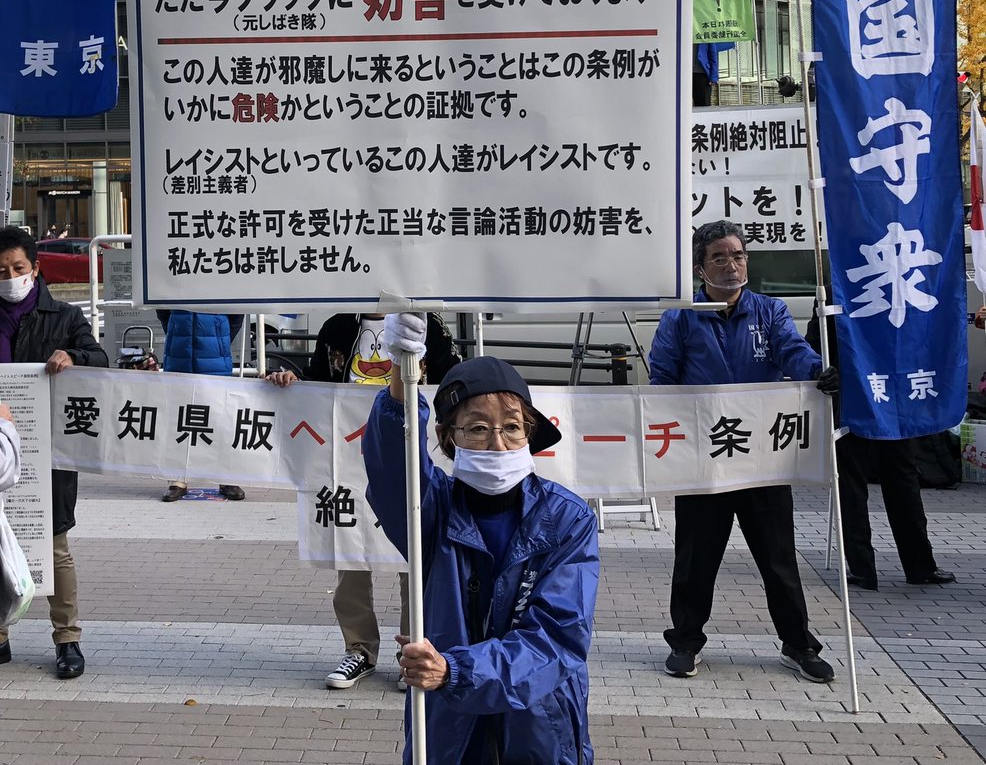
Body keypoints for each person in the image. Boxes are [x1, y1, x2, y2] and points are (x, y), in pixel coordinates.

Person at [360, 313, 598, 765]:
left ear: (529, 434)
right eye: (477, 427)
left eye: (511, 426)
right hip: (449, 729)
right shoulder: (429, 510)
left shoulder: (568, 518)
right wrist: (401, 367)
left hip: (541, 725)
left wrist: (455, 670)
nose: (498, 442)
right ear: (449, 439)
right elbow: (394, 467)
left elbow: (558, 637)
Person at [648, 219, 837, 684]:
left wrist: (819, 371)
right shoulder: (680, 316)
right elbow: (662, 380)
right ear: (699, 268)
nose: (731, 266)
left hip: (760, 456)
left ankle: (798, 643)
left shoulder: (770, 311)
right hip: (704, 457)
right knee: (695, 557)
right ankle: (687, 642)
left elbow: (792, 353)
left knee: (778, 557)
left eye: (738, 256)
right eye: (719, 258)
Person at [267, 310, 459, 690]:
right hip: (344, 462)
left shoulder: (425, 322)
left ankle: (415, 650)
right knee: (350, 554)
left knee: (414, 557)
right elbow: (317, 384)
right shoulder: (337, 325)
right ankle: (359, 649)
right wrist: (291, 382)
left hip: (405, 457)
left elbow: (453, 377)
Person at [0, 226, 109, 679]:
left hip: (48, 455)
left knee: (54, 545)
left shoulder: (64, 316)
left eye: (18, 268)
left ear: (36, 268)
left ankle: (67, 640)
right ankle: (1, 637)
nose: (9, 277)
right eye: (0, 271)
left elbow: (100, 357)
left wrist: (73, 357)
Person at [806, 297, 956, 590]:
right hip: (884, 398)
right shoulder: (889, 276)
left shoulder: (839, 278)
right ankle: (918, 566)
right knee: (897, 481)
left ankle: (866, 570)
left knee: (857, 484)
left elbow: (815, 342)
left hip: (858, 397)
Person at [156, 309, 245, 502]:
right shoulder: (173, 283)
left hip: (215, 360)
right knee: (179, 420)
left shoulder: (216, 281)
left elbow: (237, 314)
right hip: (180, 357)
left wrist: (220, 341)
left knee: (221, 420)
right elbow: (162, 310)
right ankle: (177, 480)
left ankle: (227, 477)